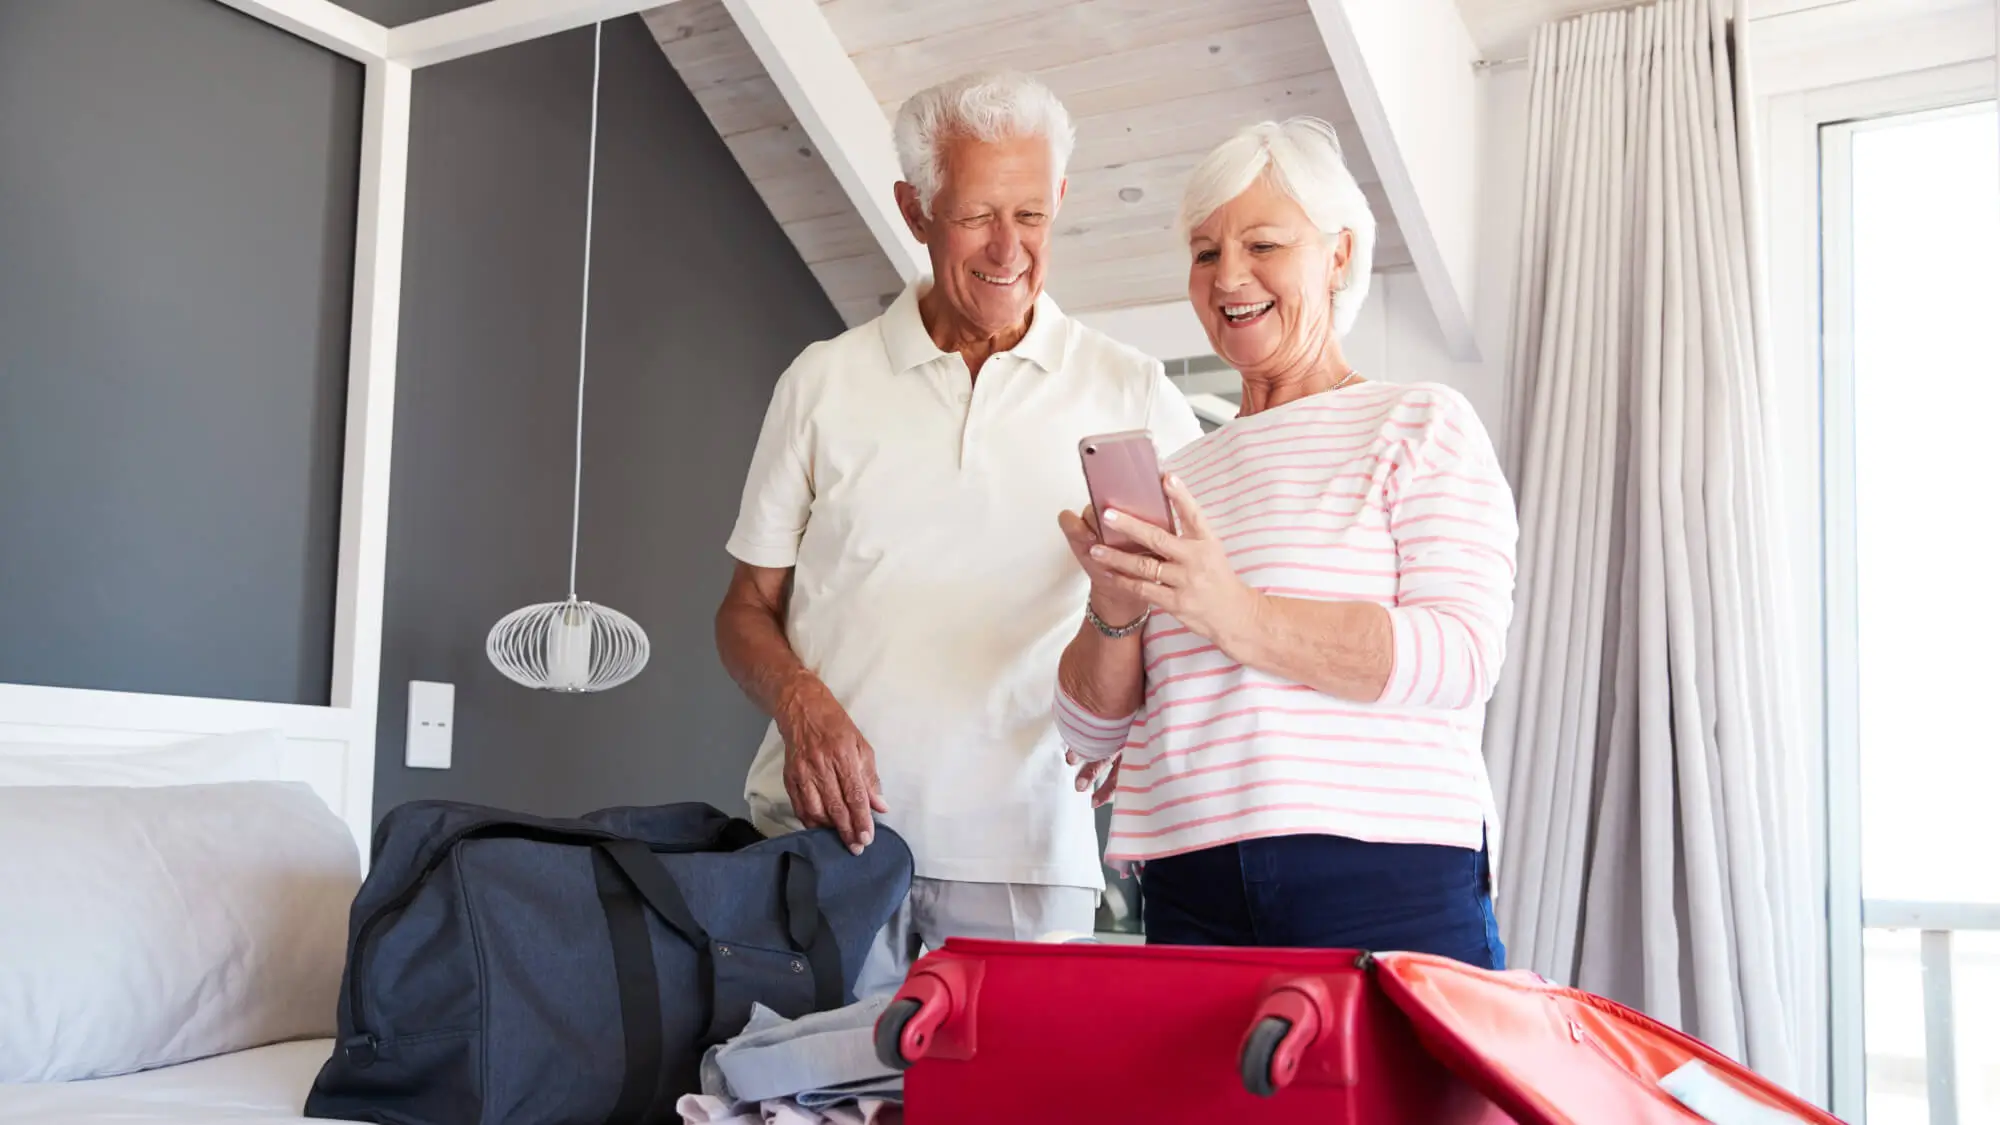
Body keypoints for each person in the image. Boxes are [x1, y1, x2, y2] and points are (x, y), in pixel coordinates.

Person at [715, 71, 1203, 993]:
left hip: (1024, 860)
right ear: (915, 208)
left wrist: (1145, 721)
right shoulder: (821, 381)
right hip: (820, 848)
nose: (1008, 248)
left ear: (1059, 199)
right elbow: (744, 608)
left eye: (1031, 212)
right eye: (978, 214)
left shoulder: (1130, 388)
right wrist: (800, 701)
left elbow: (1204, 591)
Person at [1051, 117, 1518, 968]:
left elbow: (1460, 655)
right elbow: (1088, 734)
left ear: (1339, 256)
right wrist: (1114, 609)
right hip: (1190, 884)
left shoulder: (1418, 423)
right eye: (1204, 252)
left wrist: (1233, 611)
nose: (1229, 276)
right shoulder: (1181, 472)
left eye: (1263, 243)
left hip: (1385, 872)